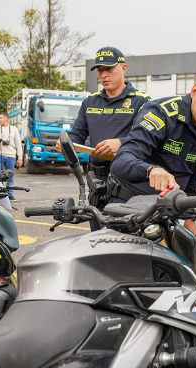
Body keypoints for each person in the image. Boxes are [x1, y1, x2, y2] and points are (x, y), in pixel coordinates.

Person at [109, 67, 196, 237]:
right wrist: (150, 170)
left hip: (168, 211)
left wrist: (189, 217)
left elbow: (193, 177)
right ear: (194, 91)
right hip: (129, 207)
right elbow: (121, 161)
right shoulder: (160, 113)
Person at [55, 46, 151, 230]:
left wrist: (121, 143)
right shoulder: (90, 102)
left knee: (123, 241)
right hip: (97, 183)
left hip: (128, 184)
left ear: (123, 68)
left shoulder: (143, 102)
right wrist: (66, 143)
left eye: (109, 69)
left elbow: (148, 138)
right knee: (97, 239)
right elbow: (77, 134)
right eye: (100, 70)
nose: (104, 74)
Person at [0, 112, 23, 201]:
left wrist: (20, 157)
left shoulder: (14, 129)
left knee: (10, 175)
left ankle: (10, 194)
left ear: (6, 118)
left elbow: (18, 144)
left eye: (1, 118)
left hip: (11, 155)